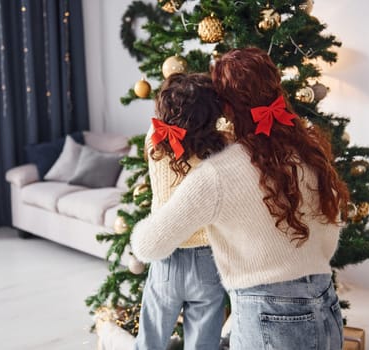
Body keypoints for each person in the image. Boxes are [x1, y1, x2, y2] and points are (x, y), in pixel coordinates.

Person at [131, 47, 349, 350]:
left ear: (227, 109)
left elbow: (148, 245)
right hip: (325, 303)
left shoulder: (218, 174)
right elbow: (329, 232)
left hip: (267, 315)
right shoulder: (307, 149)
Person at [135, 73, 228, 350]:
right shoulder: (221, 148)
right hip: (207, 258)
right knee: (203, 343)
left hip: (166, 252)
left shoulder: (154, 140)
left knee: (150, 338)